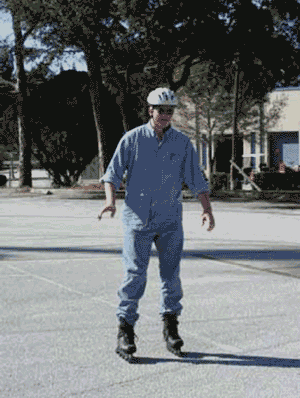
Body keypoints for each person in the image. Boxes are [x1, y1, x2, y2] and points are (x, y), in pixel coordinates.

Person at [98, 87, 215, 361]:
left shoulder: (182, 144)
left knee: (171, 276)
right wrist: (111, 201)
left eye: (169, 111)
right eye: (160, 110)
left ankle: (170, 327)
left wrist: (207, 209)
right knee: (134, 275)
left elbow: (197, 179)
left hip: (170, 221)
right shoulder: (132, 139)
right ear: (150, 110)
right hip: (137, 221)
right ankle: (125, 331)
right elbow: (112, 175)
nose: (165, 115)